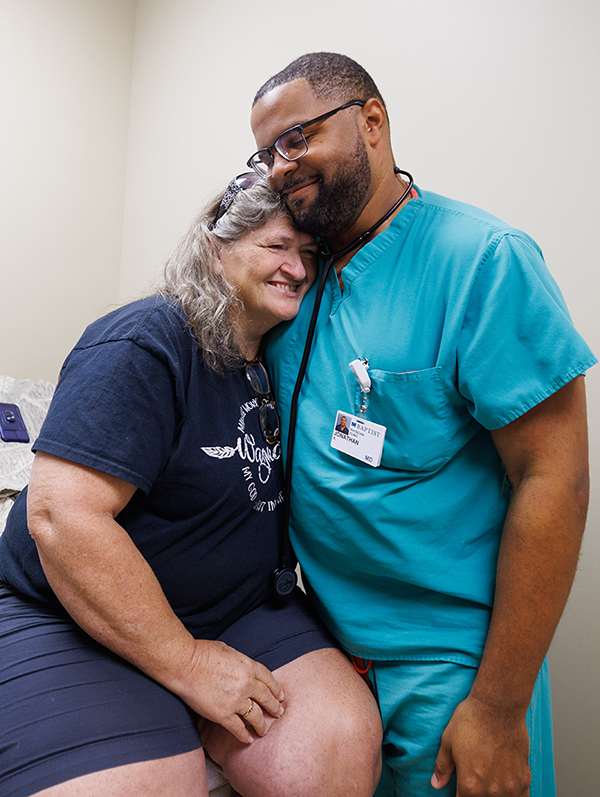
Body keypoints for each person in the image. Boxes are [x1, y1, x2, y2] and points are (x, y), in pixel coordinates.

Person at [243, 52, 597, 797]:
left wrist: (498, 708)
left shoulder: (482, 261)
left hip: (454, 670)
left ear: (372, 120)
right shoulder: (295, 279)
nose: (281, 166)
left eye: (298, 136)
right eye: (266, 152)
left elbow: (554, 478)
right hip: (328, 658)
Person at [0, 175, 382, 797]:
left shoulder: (281, 358)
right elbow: (61, 518)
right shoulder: (144, 342)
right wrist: (187, 664)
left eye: (310, 256)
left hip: (240, 609)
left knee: (335, 751)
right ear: (215, 249)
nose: (298, 268)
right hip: (70, 612)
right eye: (277, 247)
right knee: (147, 785)